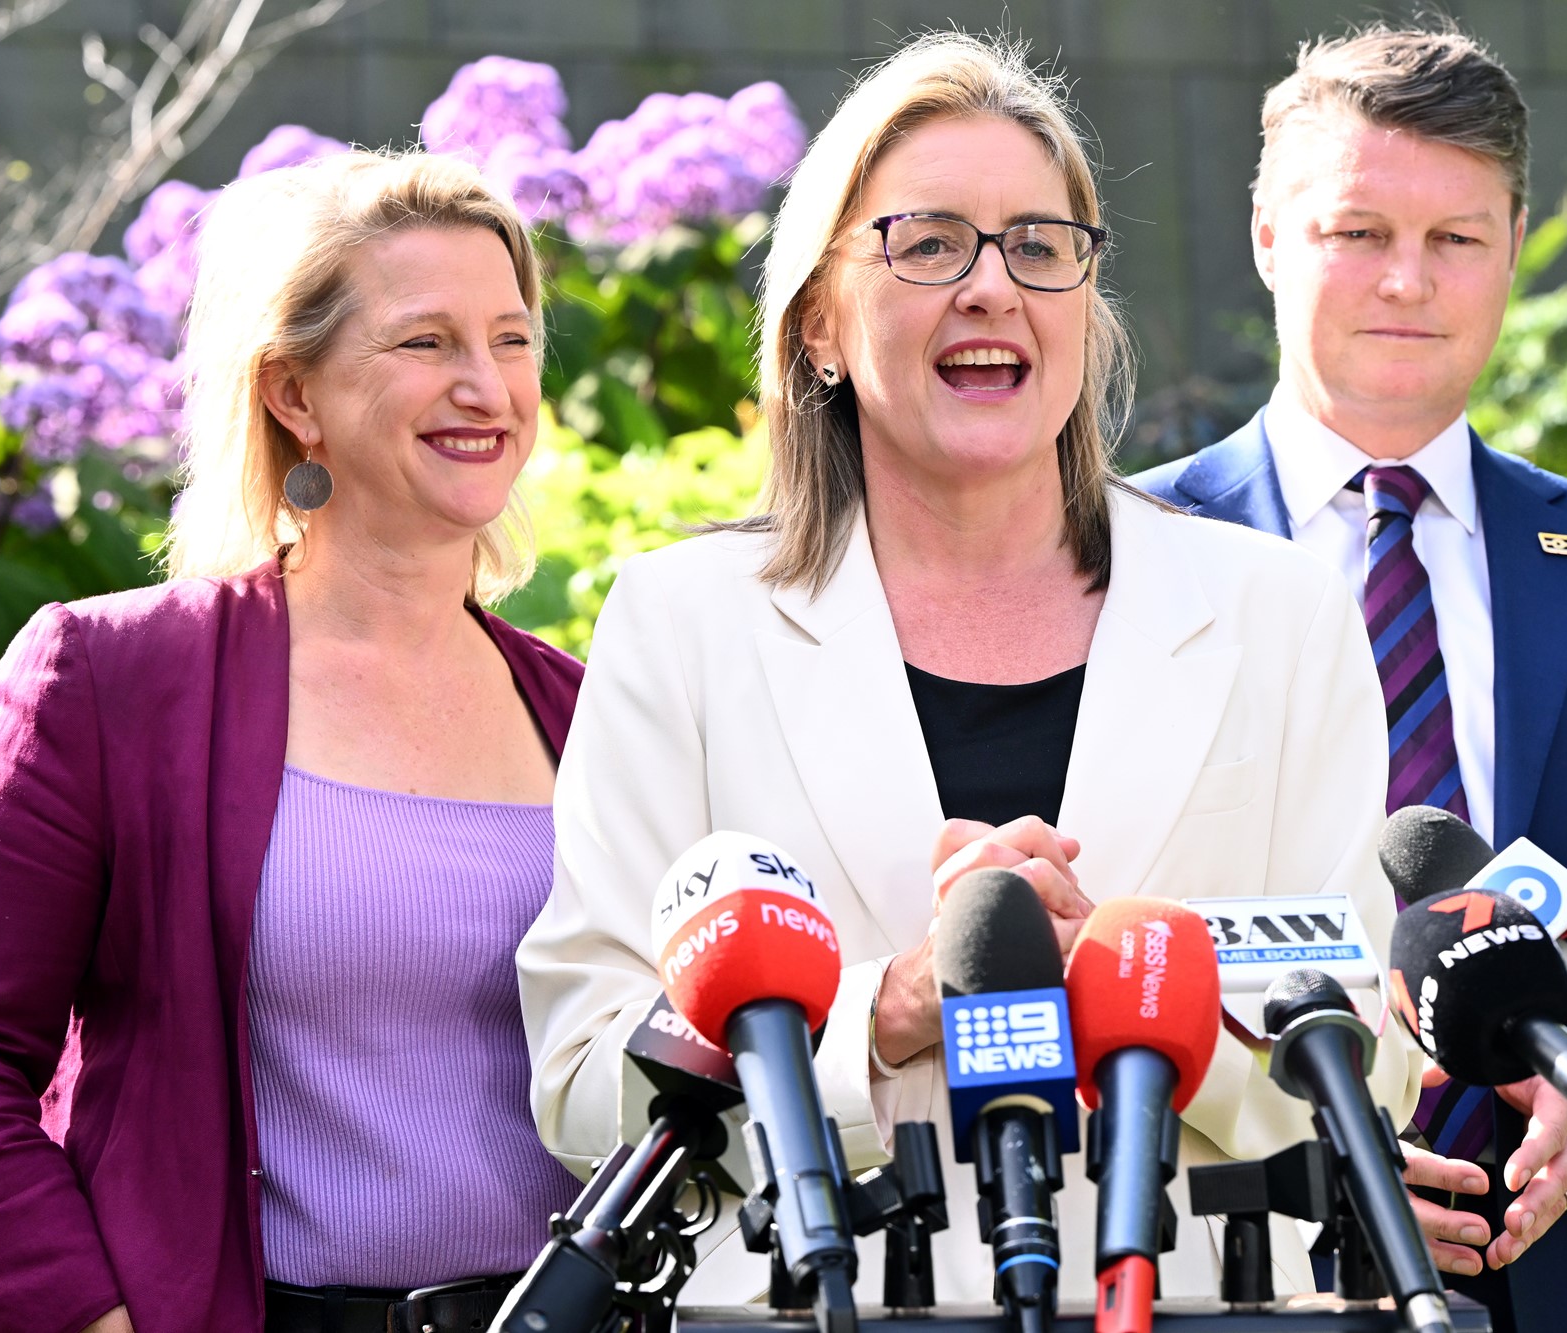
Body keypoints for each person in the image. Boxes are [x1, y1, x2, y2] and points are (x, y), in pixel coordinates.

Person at [520, 33, 1420, 1306]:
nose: (992, 288)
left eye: (1039, 247)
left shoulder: (1276, 612)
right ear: (821, 321)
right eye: (928, 243)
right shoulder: (683, 624)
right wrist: (873, 1017)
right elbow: (581, 1076)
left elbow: (1369, 1066)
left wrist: (1118, 975)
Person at [1133, 27, 1567, 1333]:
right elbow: (1082, 957)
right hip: (1234, 1278)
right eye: (1358, 231)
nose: (1410, 281)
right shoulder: (1123, 554)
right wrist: (1297, 1134)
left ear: (1513, 244)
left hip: (1566, 1287)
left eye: (1456, 238)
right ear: (1271, 237)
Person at [0, 151, 586, 1333]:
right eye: (425, 343)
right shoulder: (113, 679)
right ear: (294, 394)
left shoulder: (583, 708)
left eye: (511, 341)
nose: (487, 385)